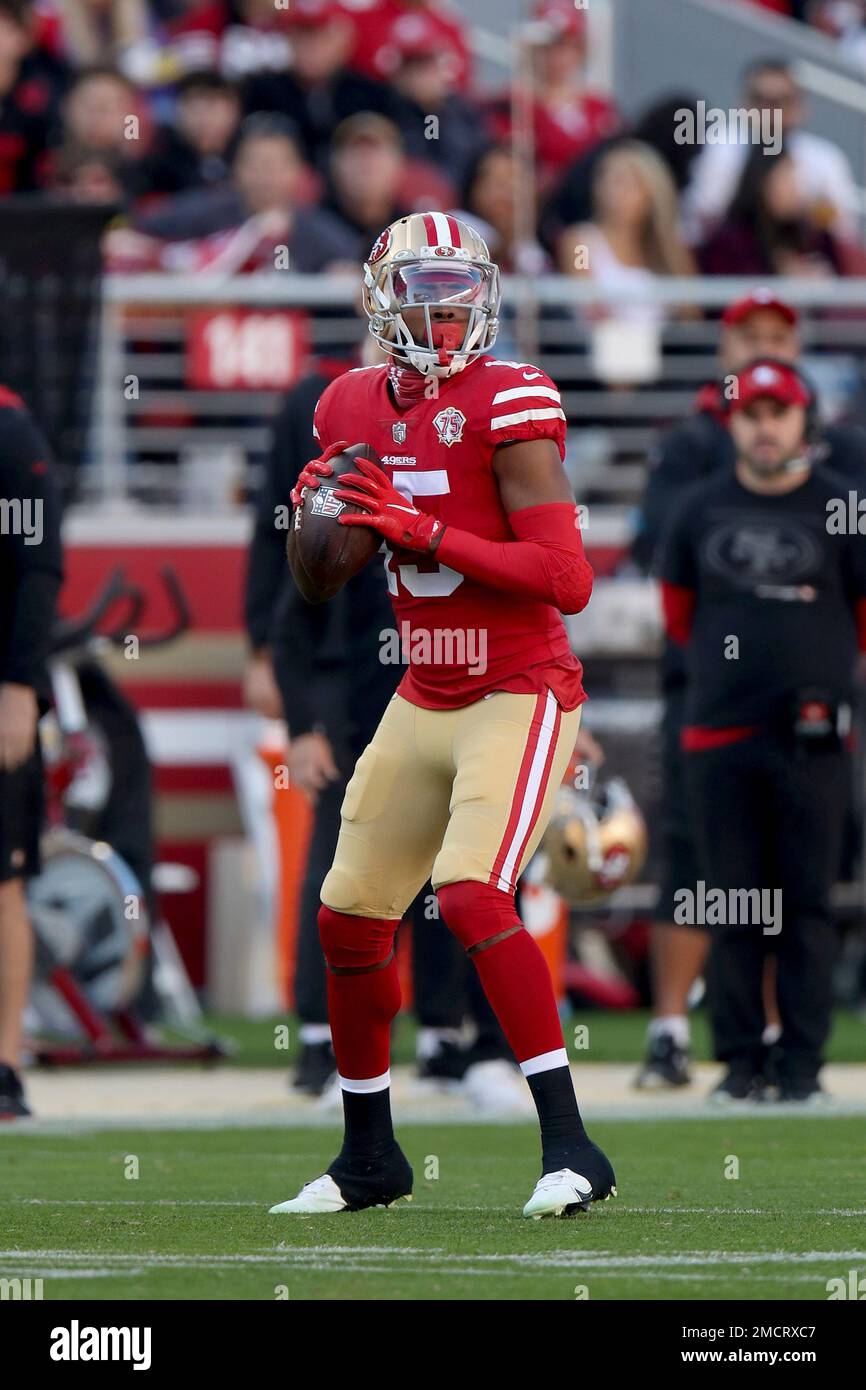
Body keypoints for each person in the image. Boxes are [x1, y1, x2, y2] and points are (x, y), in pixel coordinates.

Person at [271, 211, 615, 1220]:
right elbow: (319, 584)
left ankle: (570, 1145)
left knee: (469, 895)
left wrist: (423, 528)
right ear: (382, 299)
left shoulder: (510, 398)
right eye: (421, 284)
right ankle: (368, 1155)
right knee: (346, 914)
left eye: (457, 282)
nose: (444, 302)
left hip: (518, 684)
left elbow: (565, 577)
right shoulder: (343, 404)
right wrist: (318, 522)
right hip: (422, 688)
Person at [633, 289, 866, 1089]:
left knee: (805, 901)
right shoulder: (698, 509)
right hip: (720, 735)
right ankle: (737, 1059)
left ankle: (800, 1061)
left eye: (779, 412)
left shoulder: (843, 507)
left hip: (813, 737)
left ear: (804, 420)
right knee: (730, 902)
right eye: (752, 412)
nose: (765, 426)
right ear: (732, 421)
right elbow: (678, 611)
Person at [0, 386, 63, 1117]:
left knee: (4, 879)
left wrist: (19, 682)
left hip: (1, 687)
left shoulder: (12, 430)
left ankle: (6, 1062)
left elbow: (40, 564)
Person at [682, 58, 859, 245]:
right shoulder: (717, 146)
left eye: (781, 101)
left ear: (800, 107)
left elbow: (844, 230)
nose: (769, 110)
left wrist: (803, 211)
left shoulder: (825, 159)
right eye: (759, 100)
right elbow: (697, 216)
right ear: (743, 103)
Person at [559, 139, 696, 326]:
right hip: (603, 348)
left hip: (661, 350)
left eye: (624, 181)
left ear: (651, 191)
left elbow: (691, 313)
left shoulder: (671, 247)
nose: (611, 190)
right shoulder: (580, 243)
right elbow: (586, 303)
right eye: (604, 177)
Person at [698, 145, 848, 279]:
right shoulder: (731, 240)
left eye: (796, 179)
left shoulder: (808, 234)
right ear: (761, 182)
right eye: (786, 179)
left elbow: (841, 275)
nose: (795, 190)